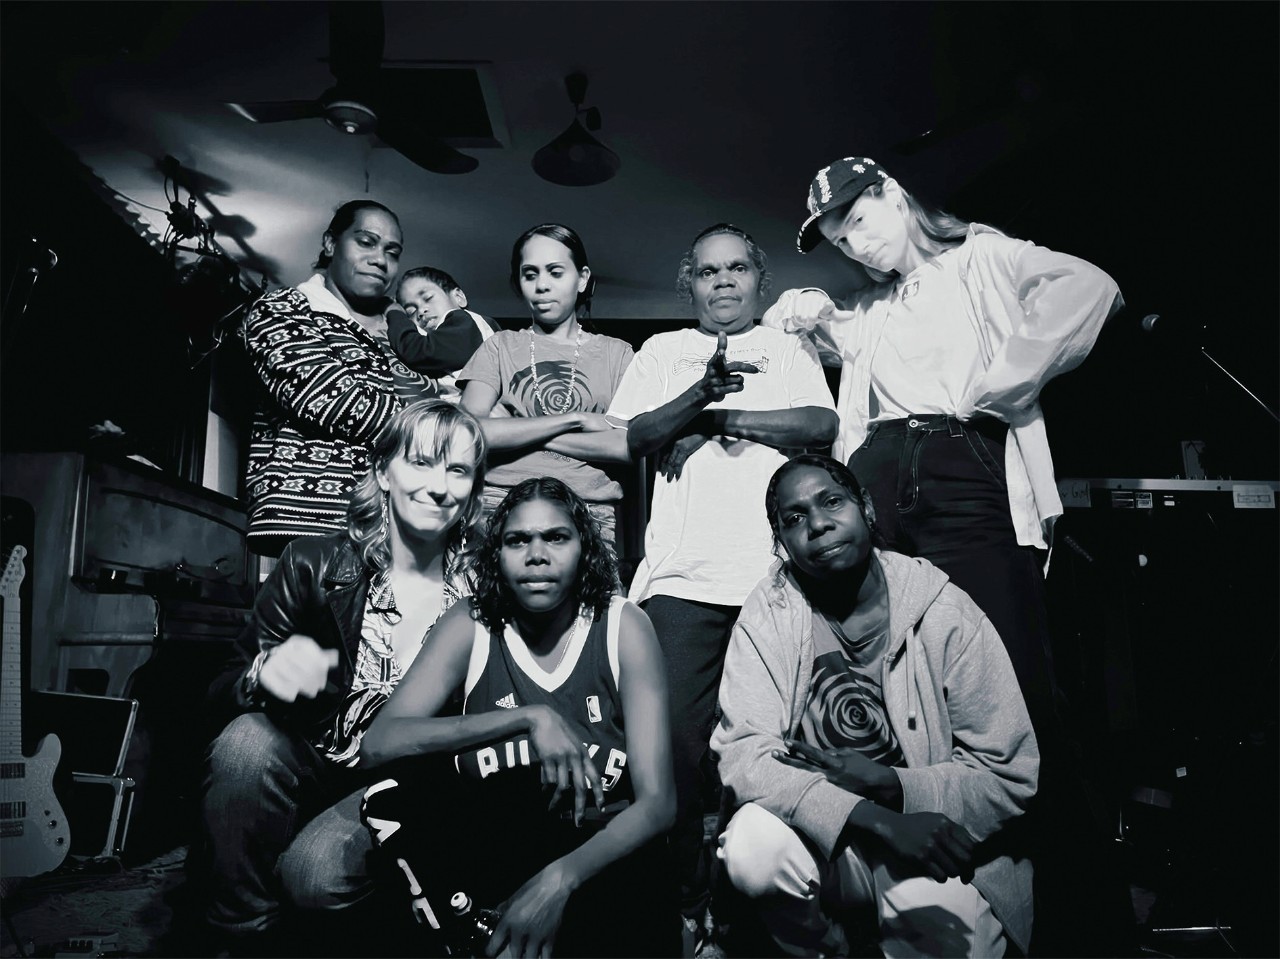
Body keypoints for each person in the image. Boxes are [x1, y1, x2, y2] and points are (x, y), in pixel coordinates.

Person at [764, 156, 1132, 955]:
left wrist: (998, 389)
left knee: (1019, 694)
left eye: (859, 220)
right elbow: (847, 351)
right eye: (839, 239)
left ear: (894, 194)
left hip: (964, 463)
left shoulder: (982, 256)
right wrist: (812, 310)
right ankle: (948, 907)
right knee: (902, 682)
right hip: (879, 476)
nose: (855, 244)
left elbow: (1091, 288)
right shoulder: (876, 305)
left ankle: (1084, 928)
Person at [604, 223, 838, 953]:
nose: (724, 281)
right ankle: (685, 903)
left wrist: (717, 416)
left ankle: (749, 910)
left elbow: (820, 423)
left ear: (759, 280)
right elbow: (632, 435)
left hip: (777, 581)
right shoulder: (661, 351)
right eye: (708, 272)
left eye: (737, 268)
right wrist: (689, 399)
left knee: (775, 752)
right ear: (690, 284)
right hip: (681, 584)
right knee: (670, 751)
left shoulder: (787, 349)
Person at [712, 454, 1039, 957]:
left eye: (831, 502)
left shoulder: (945, 612)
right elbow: (743, 755)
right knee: (753, 847)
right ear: (782, 543)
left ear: (865, 507)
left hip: (928, 845)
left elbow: (1009, 775)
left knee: (947, 941)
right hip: (825, 839)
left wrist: (894, 785)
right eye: (794, 518)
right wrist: (876, 817)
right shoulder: (771, 613)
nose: (818, 525)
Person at [199, 400, 488, 955]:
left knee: (314, 878)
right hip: (315, 756)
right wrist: (265, 673)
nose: (438, 487)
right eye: (421, 463)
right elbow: (219, 691)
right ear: (383, 471)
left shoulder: (485, 586)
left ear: (473, 488)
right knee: (245, 744)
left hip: (409, 779)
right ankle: (242, 937)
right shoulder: (313, 563)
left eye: (458, 470)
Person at [358, 477, 678, 958]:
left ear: (584, 548)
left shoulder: (621, 625)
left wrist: (558, 882)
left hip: (600, 857)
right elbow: (379, 742)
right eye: (517, 540)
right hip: (496, 855)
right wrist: (528, 718)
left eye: (556, 537)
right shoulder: (471, 622)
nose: (537, 555)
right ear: (497, 554)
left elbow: (658, 804)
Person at [241, 200, 478, 557]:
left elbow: (454, 393)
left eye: (392, 252)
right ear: (330, 243)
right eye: (366, 242)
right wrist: (455, 430)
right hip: (320, 523)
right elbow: (333, 399)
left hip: (414, 523)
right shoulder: (283, 309)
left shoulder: (409, 329)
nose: (380, 259)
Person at [457, 224, 634, 545]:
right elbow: (469, 433)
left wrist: (516, 430)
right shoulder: (499, 346)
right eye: (530, 274)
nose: (542, 285)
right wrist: (577, 419)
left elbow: (626, 445)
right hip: (499, 503)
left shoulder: (618, 353)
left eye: (555, 272)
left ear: (582, 278)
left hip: (590, 509)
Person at [389, 266, 502, 403]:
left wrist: (395, 314)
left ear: (459, 297)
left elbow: (418, 351)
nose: (421, 310)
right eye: (411, 310)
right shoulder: (445, 337)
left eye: (428, 298)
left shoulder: (464, 321)